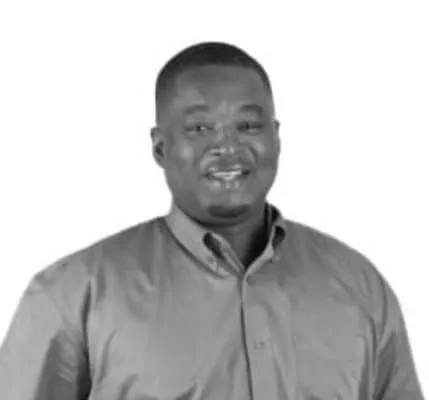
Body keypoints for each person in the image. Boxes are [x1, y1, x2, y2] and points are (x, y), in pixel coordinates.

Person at [0, 42, 425, 400]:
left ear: (276, 137)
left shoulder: (358, 285)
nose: (227, 146)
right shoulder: (73, 295)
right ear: (160, 147)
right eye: (200, 128)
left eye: (248, 125)